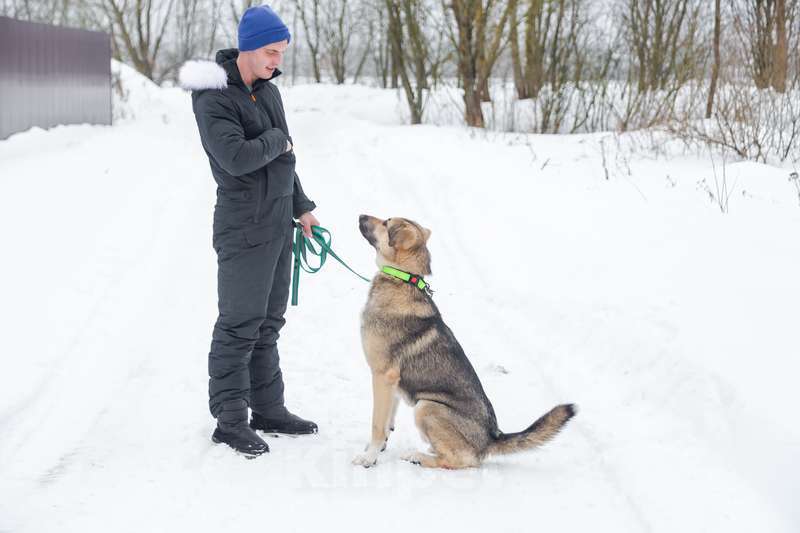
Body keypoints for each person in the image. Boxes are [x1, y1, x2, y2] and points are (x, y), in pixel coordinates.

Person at [179, 4, 319, 456]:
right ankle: (230, 421)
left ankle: (269, 410)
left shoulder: (268, 91)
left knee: (269, 323)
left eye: (281, 53)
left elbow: (284, 159)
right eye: (271, 52)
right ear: (249, 48)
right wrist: (278, 139)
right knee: (239, 325)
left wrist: (301, 207)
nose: (277, 61)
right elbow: (237, 158)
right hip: (243, 225)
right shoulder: (214, 97)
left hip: (278, 221)